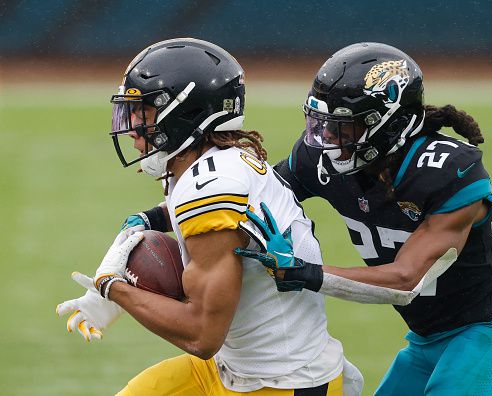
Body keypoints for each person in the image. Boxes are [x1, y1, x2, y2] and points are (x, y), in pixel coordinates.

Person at [56, 38, 363, 396]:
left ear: (183, 112)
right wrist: (149, 219)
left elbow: (202, 336)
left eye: (144, 113)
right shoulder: (213, 165)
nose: (133, 128)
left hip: (279, 382)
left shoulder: (210, 190)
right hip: (234, 369)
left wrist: (113, 287)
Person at [237, 42, 492, 395]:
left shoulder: (447, 172)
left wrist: (305, 272)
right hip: (426, 341)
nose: (327, 139)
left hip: (488, 331)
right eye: (324, 124)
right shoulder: (326, 161)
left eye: (343, 129)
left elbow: (405, 280)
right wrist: (158, 218)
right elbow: (251, 194)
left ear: (388, 125)